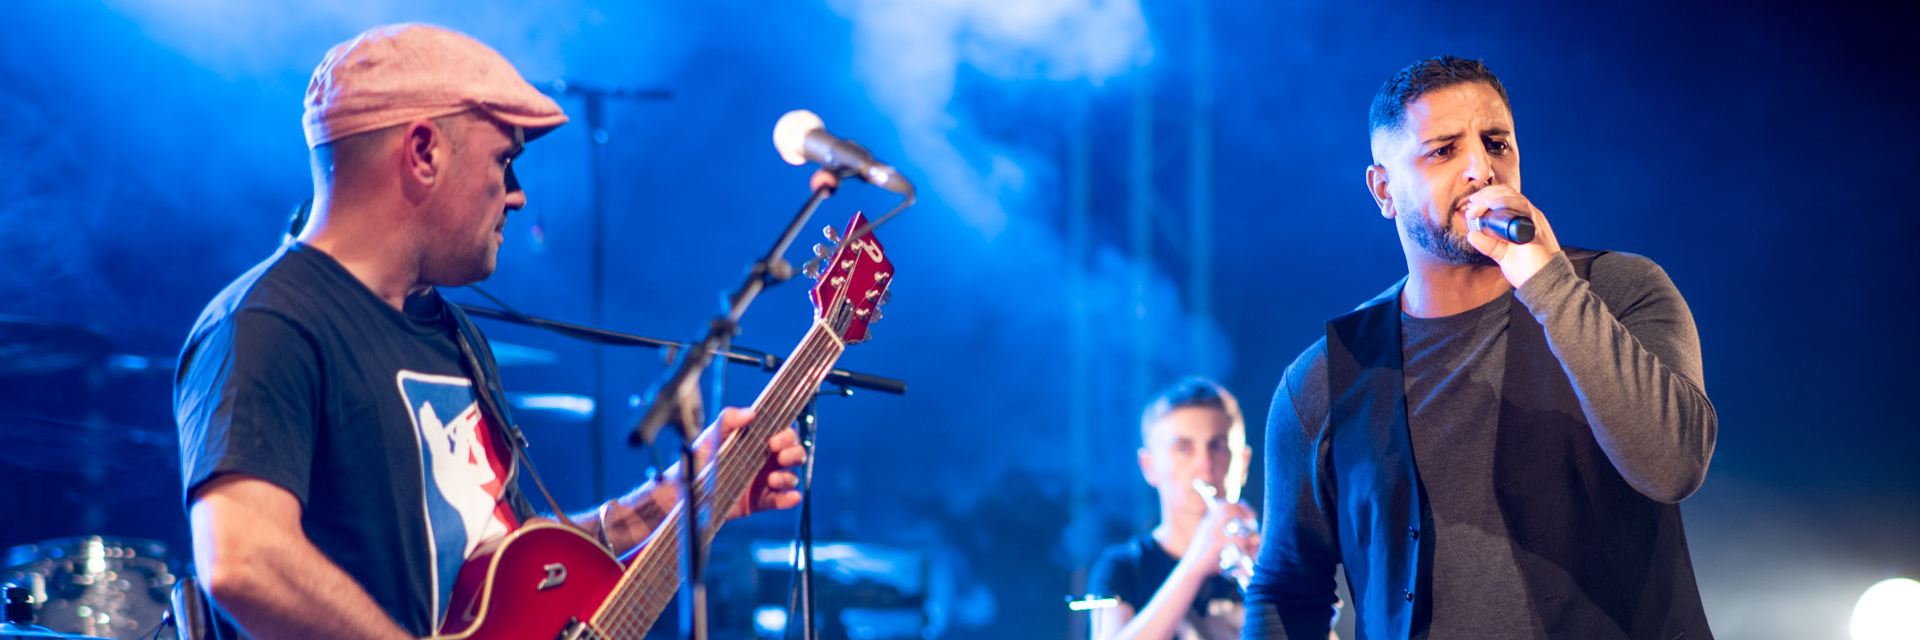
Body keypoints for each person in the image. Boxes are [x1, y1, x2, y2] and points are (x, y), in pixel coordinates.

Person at [172, 24, 806, 640]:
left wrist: (680, 497)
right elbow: (243, 561)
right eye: (505, 161)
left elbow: (520, 563)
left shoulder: (454, 335)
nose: (518, 195)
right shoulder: (268, 323)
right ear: (423, 152)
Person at [1243, 56, 1717, 640]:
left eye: (1497, 143)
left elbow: (1672, 466)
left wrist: (1546, 280)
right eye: (1443, 150)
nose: (1481, 169)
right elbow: (1288, 589)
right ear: (1384, 188)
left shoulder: (1619, 291)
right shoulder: (1325, 379)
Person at [1088, 378, 1260, 640]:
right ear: (1149, 466)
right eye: (1183, 448)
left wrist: (1291, 595)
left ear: (1244, 462)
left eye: (1218, 445)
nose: (1205, 465)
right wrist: (1197, 562)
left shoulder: (1270, 562)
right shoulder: (1122, 568)